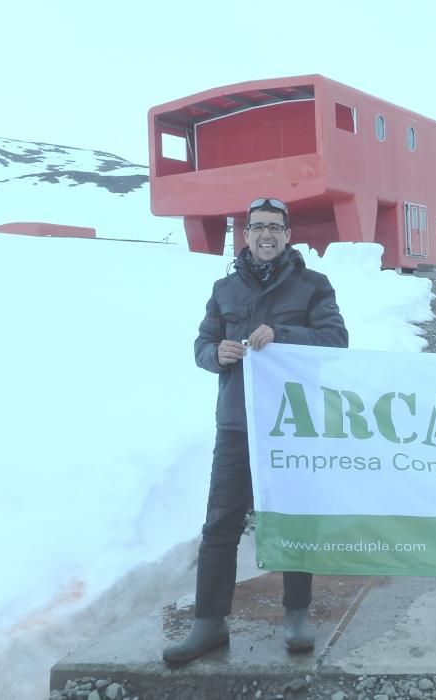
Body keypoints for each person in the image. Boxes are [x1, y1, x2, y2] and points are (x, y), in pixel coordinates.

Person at [163, 196, 349, 665]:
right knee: (221, 522)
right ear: (245, 235)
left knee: (294, 516)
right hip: (237, 422)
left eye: (276, 227)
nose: (267, 235)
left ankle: (297, 615)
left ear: (288, 235)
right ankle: (208, 623)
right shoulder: (224, 288)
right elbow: (202, 343)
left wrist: (282, 335)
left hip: (291, 422)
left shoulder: (313, 285)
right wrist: (214, 354)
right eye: (258, 227)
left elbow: (335, 340)